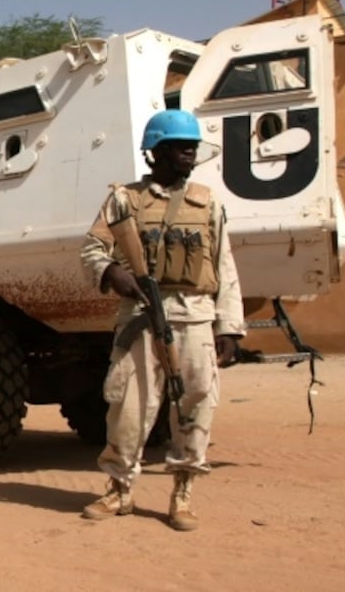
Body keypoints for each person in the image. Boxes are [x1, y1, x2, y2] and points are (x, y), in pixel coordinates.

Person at [78, 109, 245, 531]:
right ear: (156, 152)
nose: (189, 152)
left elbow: (223, 264)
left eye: (192, 146)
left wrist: (229, 326)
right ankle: (120, 491)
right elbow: (92, 249)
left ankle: (183, 492)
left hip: (194, 319)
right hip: (139, 317)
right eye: (178, 146)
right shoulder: (123, 200)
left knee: (196, 405)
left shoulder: (208, 203)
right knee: (129, 409)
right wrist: (111, 273)